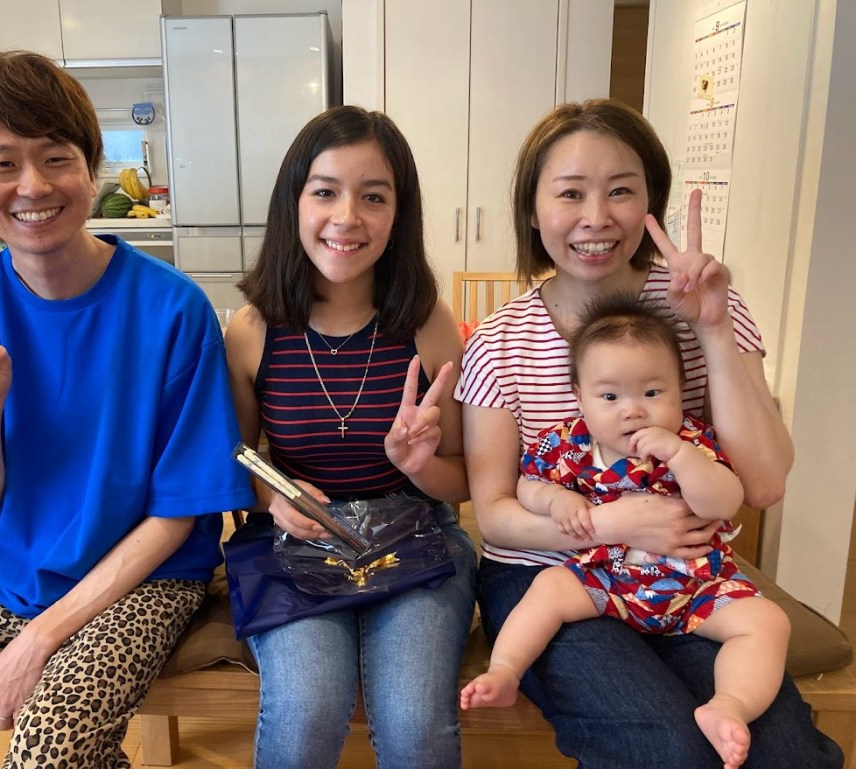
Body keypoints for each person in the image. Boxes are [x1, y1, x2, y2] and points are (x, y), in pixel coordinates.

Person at [0, 51, 254, 768]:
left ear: (90, 168)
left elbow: (178, 515)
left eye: (56, 158)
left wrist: (40, 637)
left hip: (143, 583)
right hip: (0, 575)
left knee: (47, 749)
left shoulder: (170, 308)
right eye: (2, 164)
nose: (33, 186)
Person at [456, 98, 842, 769]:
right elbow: (495, 513)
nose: (596, 217)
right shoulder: (500, 342)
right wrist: (614, 523)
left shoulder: (704, 305)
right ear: (533, 210)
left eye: (621, 191)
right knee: (667, 747)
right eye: (570, 193)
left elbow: (763, 483)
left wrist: (713, 328)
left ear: (650, 203)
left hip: (688, 571)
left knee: (781, 753)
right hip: (549, 573)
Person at [223, 104, 477, 769]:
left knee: (415, 724)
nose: (347, 217)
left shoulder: (428, 322)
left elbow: (462, 479)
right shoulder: (253, 329)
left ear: (400, 213)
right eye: (325, 192)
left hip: (415, 537)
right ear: (294, 203)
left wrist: (417, 465)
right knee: (306, 707)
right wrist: (275, 498)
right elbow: (238, 463)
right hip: (293, 543)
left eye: (374, 197)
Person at [460, 295, 791, 769]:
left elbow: (725, 500)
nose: (633, 411)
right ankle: (506, 670)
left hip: (694, 586)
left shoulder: (694, 442)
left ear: (680, 391)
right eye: (610, 397)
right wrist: (555, 500)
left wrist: (680, 457)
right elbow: (526, 485)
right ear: (580, 398)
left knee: (766, 622)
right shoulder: (569, 444)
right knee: (549, 588)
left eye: (652, 393)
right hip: (606, 580)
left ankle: (730, 704)